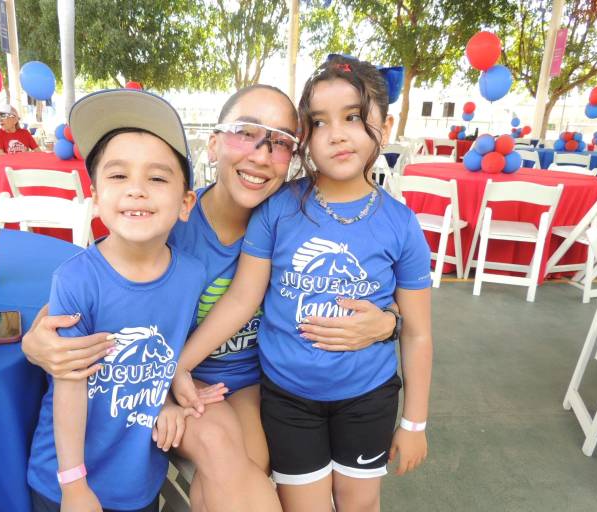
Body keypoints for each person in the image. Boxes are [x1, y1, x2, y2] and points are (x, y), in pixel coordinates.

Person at [21, 83, 401, 511]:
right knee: (222, 454)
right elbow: (92, 293)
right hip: (179, 380)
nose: (259, 154)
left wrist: (389, 322)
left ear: (295, 158)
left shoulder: (300, 222)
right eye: (246, 132)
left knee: (248, 469)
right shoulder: (169, 217)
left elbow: (370, 275)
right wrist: (34, 343)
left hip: (255, 383)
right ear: (215, 143)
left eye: (280, 142)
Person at [173, 54, 433, 511]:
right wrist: (180, 366)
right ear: (306, 142)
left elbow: (417, 329)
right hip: (286, 397)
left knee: (359, 503)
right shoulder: (277, 211)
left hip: (366, 395)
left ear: (384, 127)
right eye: (318, 122)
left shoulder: (401, 225)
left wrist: (414, 423)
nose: (337, 133)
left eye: (354, 117)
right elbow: (241, 298)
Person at [27, 88, 227, 512]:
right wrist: (74, 486)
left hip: (138, 479)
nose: (136, 189)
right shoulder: (76, 280)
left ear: (186, 203)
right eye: (118, 176)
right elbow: (68, 386)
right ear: (96, 197)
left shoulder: (191, 275)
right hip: (66, 481)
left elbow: (167, 356)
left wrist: (171, 400)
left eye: (156, 178)